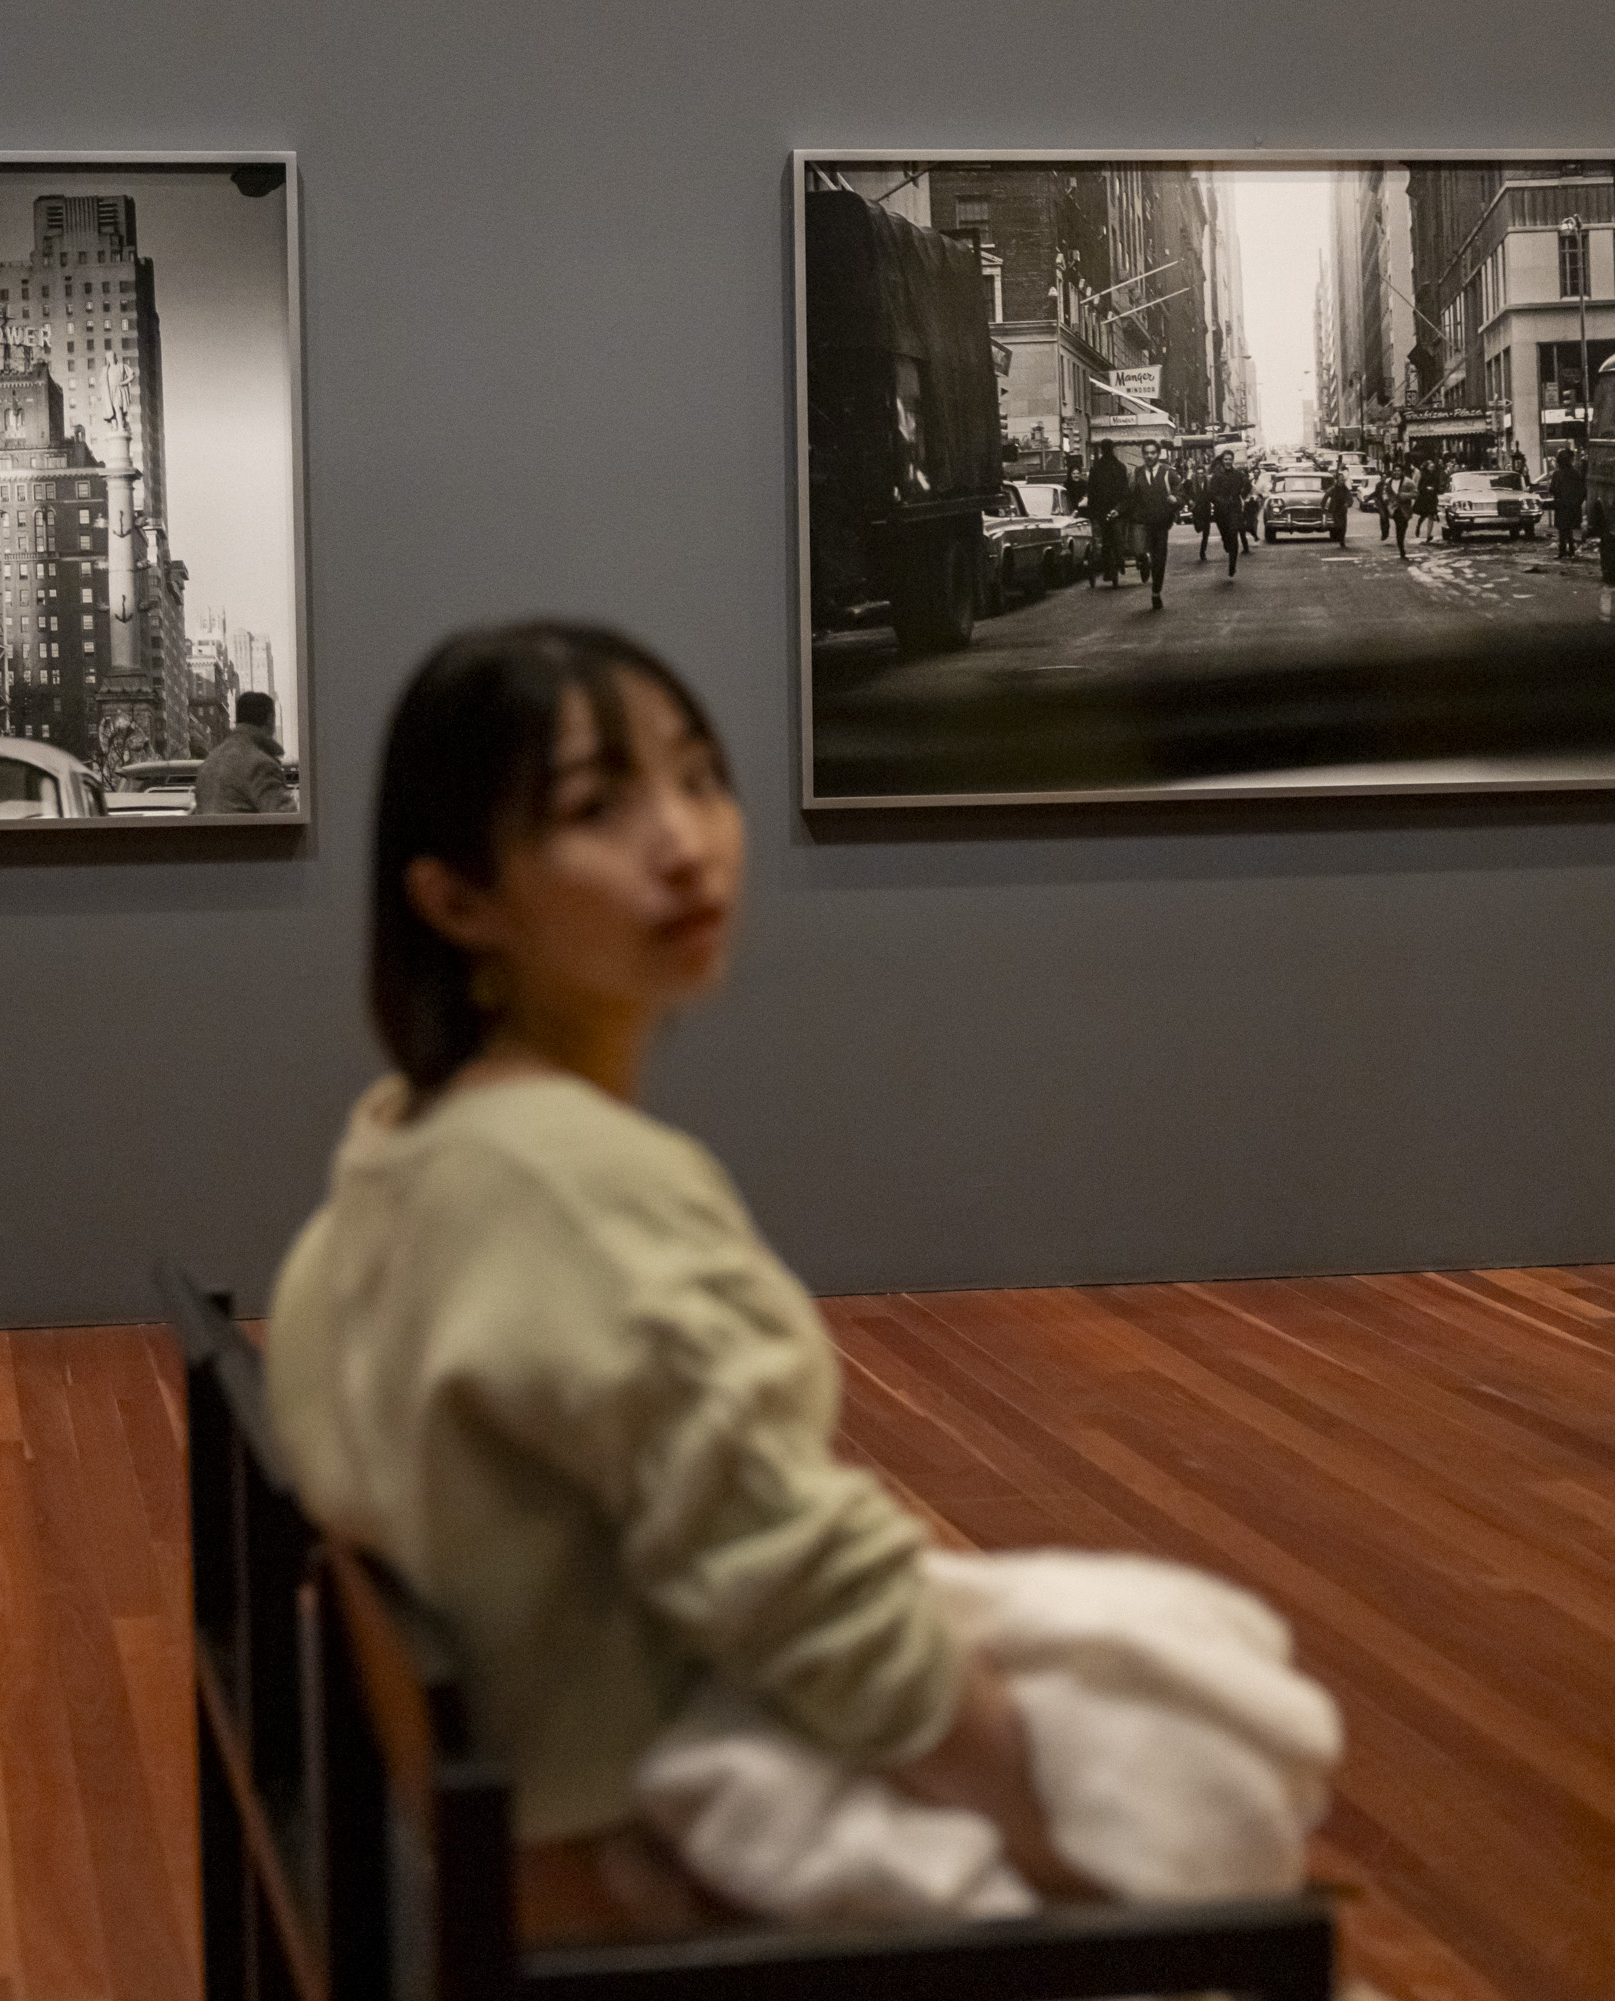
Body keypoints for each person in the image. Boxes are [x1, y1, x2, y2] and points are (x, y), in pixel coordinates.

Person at [264, 622, 1087, 1936]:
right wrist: (1101, 1873)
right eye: (599, 805)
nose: (686, 840)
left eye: (700, 778)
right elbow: (814, 1599)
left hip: (522, 1879)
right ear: (455, 899)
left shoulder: (395, 1156)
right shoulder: (579, 1189)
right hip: (671, 1913)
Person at [192, 688, 294, 813]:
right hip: (245, 833)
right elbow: (287, 821)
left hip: (213, 832)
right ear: (270, 719)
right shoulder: (261, 765)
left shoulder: (208, 764)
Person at [1132, 446, 1181, 610]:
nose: (1149, 456)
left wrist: (1176, 500)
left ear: (1158, 454)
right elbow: (1128, 496)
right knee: (1139, 550)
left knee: (1159, 561)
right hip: (1142, 522)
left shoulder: (1168, 473)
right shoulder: (1136, 473)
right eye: (1146, 453)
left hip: (1160, 524)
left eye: (1153, 453)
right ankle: (1143, 560)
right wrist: (1117, 509)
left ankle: (1156, 593)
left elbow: (1181, 493)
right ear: (1143, 455)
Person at [1082, 440, 1134, 587]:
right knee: (1118, 538)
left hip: (1101, 511)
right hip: (1117, 510)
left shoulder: (1096, 468)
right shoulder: (1120, 467)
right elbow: (1125, 491)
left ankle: (1108, 569)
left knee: (1104, 541)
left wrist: (1093, 511)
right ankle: (1119, 561)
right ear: (1112, 449)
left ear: (1101, 450)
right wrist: (1121, 508)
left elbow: (1091, 491)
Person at [1547, 443, 1586, 561]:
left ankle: (1563, 551)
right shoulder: (1575, 474)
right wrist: (1577, 502)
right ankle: (1571, 551)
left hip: (1561, 505)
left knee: (1562, 530)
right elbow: (1582, 490)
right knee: (1569, 529)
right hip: (1573, 506)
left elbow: (1552, 489)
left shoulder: (1557, 474)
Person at [1324, 467, 1353, 549]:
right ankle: (1338, 538)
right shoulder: (1333, 488)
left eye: (1342, 479)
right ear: (1337, 480)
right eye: (1340, 479)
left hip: (1343, 510)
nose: (1341, 481)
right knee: (1338, 525)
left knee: (1343, 526)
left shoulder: (1345, 489)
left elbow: (1349, 498)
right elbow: (1326, 496)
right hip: (1335, 509)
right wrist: (1323, 506)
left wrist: (1348, 504)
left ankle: (1342, 542)